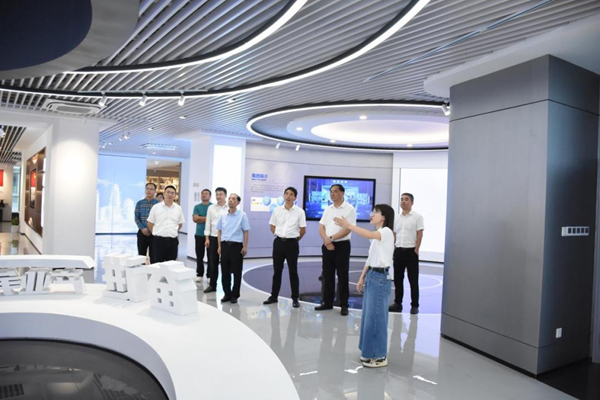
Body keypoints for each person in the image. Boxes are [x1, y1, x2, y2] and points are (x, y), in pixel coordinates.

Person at [334, 204, 395, 368]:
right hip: (372, 277)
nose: (372, 214)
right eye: (372, 211)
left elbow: (368, 233)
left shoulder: (386, 232)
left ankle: (379, 356)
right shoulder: (376, 237)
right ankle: (369, 352)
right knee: (369, 317)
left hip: (380, 278)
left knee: (377, 318)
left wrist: (348, 226)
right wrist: (362, 278)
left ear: (384, 217)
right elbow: (370, 259)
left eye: (376, 212)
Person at [316, 184, 356, 316]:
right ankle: (327, 302)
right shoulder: (328, 209)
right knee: (327, 275)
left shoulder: (349, 209)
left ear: (342, 193)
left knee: (343, 276)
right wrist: (326, 240)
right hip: (327, 245)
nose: (332, 194)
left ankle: (344, 304)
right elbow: (321, 227)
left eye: (335, 191)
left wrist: (331, 238)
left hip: (342, 246)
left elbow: (348, 229)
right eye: (331, 192)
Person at [263, 187, 306, 308]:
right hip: (278, 243)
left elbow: (303, 230)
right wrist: (279, 235)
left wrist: (294, 239)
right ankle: (274, 296)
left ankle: (295, 298)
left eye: (291, 194)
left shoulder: (300, 212)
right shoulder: (277, 210)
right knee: (277, 271)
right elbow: (272, 226)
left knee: (293, 272)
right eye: (286, 194)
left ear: (295, 198)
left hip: (292, 244)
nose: (288, 196)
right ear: (284, 196)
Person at [389, 193, 424, 315]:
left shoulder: (417, 217)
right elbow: (394, 234)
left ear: (412, 202)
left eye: (406, 199)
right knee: (398, 279)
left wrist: (416, 250)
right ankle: (398, 303)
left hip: (411, 252)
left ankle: (414, 305)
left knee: (413, 280)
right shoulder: (396, 218)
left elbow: (420, 234)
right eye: (402, 199)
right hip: (398, 251)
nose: (403, 201)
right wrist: (393, 249)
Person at [216, 193, 250, 304]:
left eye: (233, 199)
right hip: (225, 245)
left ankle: (235, 295)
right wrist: (219, 246)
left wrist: (245, 246)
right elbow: (219, 231)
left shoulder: (242, 215)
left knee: (237, 271)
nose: (231, 200)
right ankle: (227, 293)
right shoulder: (222, 214)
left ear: (238, 202)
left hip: (236, 246)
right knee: (225, 271)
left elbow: (246, 231)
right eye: (230, 198)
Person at [147, 185, 184, 263]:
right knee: (157, 264)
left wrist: (172, 231)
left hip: (172, 241)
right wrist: (156, 232)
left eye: (172, 193)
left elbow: (180, 224)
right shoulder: (156, 207)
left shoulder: (178, 208)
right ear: (164, 194)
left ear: (175, 195)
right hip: (158, 241)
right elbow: (150, 223)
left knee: (171, 264)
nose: (170, 195)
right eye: (168, 192)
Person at [203, 187, 228, 293]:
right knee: (213, 263)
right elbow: (208, 223)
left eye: (221, 194)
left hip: (226, 238)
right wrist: (207, 238)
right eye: (217, 194)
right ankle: (213, 285)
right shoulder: (211, 208)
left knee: (226, 264)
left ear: (225, 195)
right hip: (213, 238)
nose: (218, 196)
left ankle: (226, 288)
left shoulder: (229, 208)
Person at [134, 183, 158, 264]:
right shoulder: (139, 203)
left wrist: (151, 229)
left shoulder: (158, 204)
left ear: (155, 191)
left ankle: (153, 271)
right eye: (147, 188)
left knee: (154, 256)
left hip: (154, 234)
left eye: (151, 189)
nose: (149, 191)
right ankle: (141, 271)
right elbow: (136, 218)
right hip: (142, 233)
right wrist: (142, 228)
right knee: (141, 256)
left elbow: (159, 219)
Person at [192, 189, 212, 282]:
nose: (204, 195)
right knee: (199, 255)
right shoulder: (197, 207)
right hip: (199, 234)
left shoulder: (212, 207)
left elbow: (213, 220)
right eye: (202, 194)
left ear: (210, 196)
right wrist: (208, 218)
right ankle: (199, 274)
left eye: (206, 194)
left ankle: (209, 275)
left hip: (211, 234)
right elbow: (195, 219)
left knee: (210, 256)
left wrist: (200, 218)